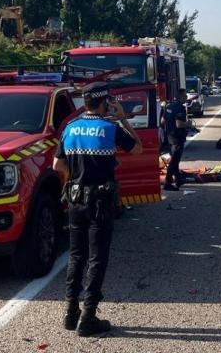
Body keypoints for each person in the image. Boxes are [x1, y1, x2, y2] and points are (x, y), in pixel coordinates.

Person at [55, 82, 143, 336]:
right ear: (105, 102)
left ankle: (70, 313)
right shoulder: (110, 128)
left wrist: (79, 171)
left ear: (85, 102)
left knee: (76, 256)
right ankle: (88, 316)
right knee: (97, 257)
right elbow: (137, 149)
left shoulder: (70, 128)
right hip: (100, 200)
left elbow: (57, 166)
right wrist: (124, 119)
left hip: (74, 199)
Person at [162, 88, 189, 191]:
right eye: (185, 96)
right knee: (174, 161)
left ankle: (178, 179)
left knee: (175, 160)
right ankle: (167, 182)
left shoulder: (169, 106)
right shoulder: (180, 108)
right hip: (177, 138)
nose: (186, 97)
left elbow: (162, 121)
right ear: (181, 97)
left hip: (169, 137)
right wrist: (188, 124)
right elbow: (179, 124)